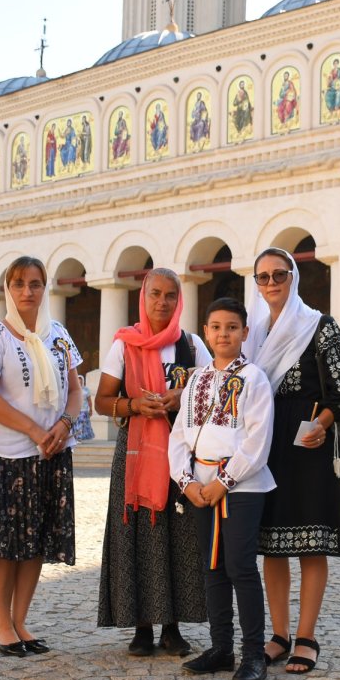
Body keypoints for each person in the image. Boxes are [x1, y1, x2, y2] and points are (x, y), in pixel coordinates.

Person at [245, 248, 340, 674]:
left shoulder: (320, 326)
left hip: (306, 443)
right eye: (263, 277)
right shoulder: (252, 332)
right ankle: (279, 634)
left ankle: (306, 637)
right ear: (255, 283)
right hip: (266, 444)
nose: (271, 283)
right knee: (272, 546)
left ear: (293, 277)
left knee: (310, 545)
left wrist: (321, 424)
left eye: (279, 275)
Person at [96, 269, 212, 657]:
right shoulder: (124, 345)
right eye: (155, 294)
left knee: (179, 537)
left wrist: (182, 398)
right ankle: (141, 628)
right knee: (139, 534)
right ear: (142, 297)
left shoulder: (193, 346)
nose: (162, 302)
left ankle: (172, 627)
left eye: (169, 296)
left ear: (179, 300)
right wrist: (133, 405)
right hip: (135, 456)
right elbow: (103, 400)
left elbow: (213, 392)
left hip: (181, 455)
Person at [0, 256, 82, 657]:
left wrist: (65, 424)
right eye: (19, 284)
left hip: (52, 452)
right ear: (8, 288)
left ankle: (22, 620)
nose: (27, 292)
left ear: (45, 287)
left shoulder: (58, 335)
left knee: (34, 540)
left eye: (35, 284)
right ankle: (2, 624)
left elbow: (76, 389)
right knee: (7, 544)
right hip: (10, 454)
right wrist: (35, 430)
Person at [169, 297, 276, 680]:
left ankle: (253, 654)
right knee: (211, 568)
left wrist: (222, 483)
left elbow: (257, 441)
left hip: (242, 486)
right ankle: (220, 648)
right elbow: (179, 434)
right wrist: (187, 482)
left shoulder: (254, 378)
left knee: (240, 567)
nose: (223, 334)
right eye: (215, 327)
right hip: (199, 485)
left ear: (245, 333)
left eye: (231, 327)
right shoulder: (196, 379)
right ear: (206, 332)